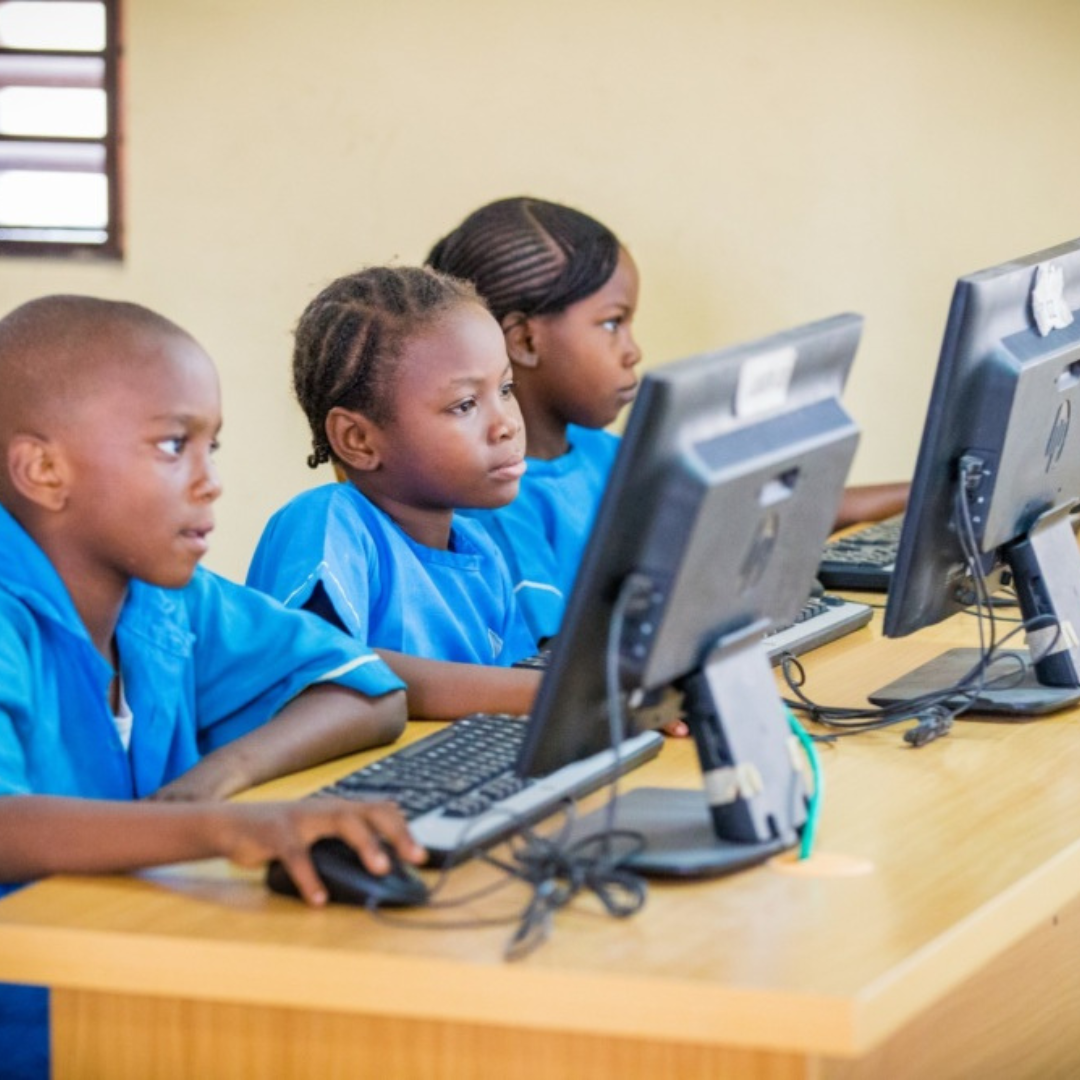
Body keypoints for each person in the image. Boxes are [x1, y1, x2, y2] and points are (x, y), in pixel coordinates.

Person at [0, 294, 426, 1080]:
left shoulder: (166, 598)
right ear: (43, 469)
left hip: (141, 990)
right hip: (34, 1028)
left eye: (213, 446)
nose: (211, 483)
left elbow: (369, 692)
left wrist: (217, 780)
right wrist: (232, 830)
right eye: (173, 446)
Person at [427, 195, 910, 644]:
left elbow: (759, 509)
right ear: (525, 342)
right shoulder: (494, 500)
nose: (633, 350)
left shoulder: (598, 451)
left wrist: (924, 491)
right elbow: (552, 659)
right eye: (613, 323)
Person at [247, 266, 543, 721]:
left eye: (505, 389)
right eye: (465, 405)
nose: (506, 423)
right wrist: (546, 694)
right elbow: (332, 669)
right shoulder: (329, 521)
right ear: (358, 440)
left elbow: (512, 685)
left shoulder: (481, 551)